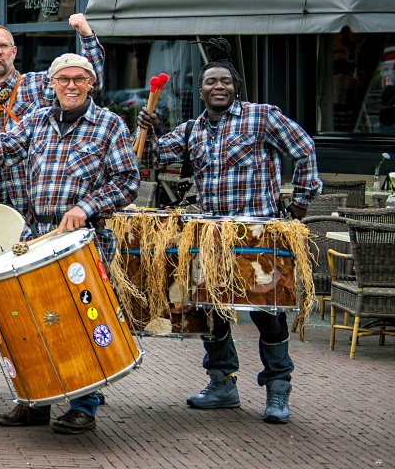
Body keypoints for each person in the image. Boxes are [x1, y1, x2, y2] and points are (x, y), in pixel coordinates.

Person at [138, 38, 322, 425]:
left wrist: (301, 203)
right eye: (210, 81)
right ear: (200, 89)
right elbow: (152, 158)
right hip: (210, 234)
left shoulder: (261, 117)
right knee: (212, 311)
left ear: (235, 87)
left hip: (257, 232)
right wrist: (151, 131)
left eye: (225, 81)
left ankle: (277, 389)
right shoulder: (192, 130)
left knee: (267, 313)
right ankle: (222, 385)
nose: (218, 86)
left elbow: (303, 148)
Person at [0, 53, 138, 435]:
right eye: (64, 79)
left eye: (79, 79)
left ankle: (84, 404)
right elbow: (3, 151)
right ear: (53, 83)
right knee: (30, 321)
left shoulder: (110, 125)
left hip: (83, 239)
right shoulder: (37, 120)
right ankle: (34, 400)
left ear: (91, 84)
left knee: (77, 323)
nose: (72, 85)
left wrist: (85, 205)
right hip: (36, 235)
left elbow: (127, 181)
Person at [0, 13, 105, 387]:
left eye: (4, 45)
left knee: (26, 300)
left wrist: (86, 34)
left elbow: (89, 75)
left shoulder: (39, 86)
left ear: (14, 52)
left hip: (24, 210)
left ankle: (36, 377)